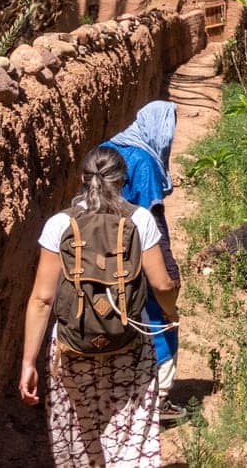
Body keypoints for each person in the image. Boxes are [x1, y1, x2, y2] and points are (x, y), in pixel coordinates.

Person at [20, 146, 179, 468]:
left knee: (80, 432)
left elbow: (42, 299)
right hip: (129, 344)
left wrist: (28, 362)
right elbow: (162, 285)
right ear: (124, 180)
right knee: (130, 431)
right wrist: (171, 314)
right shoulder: (139, 220)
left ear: (82, 179)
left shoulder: (58, 225)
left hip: (72, 347)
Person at [105, 100, 182, 419]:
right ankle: (157, 398)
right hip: (136, 254)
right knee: (161, 319)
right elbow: (154, 225)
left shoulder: (107, 149)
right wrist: (169, 277)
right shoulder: (145, 162)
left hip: (100, 253)